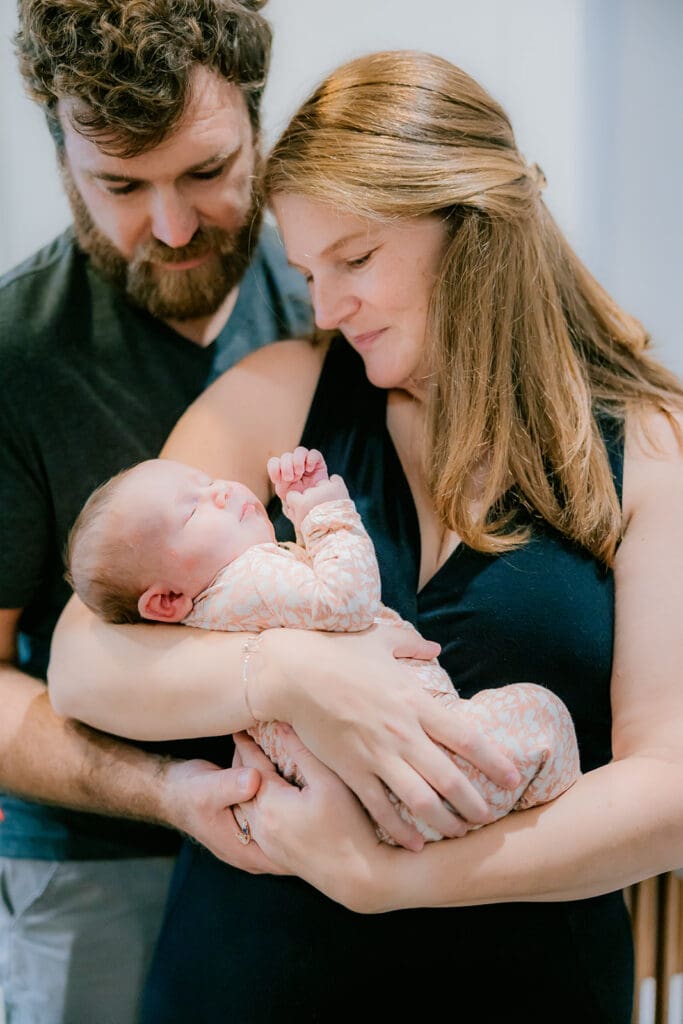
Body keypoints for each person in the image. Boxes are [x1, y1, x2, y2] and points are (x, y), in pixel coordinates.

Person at [49, 49, 683, 1023]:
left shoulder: (645, 445)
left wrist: (392, 878)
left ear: (474, 228)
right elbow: (84, 659)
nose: (324, 307)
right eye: (307, 270)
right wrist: (293, 676)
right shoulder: (278, 392)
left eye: (354, 259)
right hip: (241, 985)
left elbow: (667, 790)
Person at [0, 2, 314, 1022]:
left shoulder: (334, 297)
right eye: (122, 187)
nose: (173, 228)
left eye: (207, 172)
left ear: (257, 129)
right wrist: (165, 791)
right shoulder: (17, 356)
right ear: (61, 157)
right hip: (94, 871)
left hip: (320, 859)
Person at [64, 450, 580, 843]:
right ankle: (550, 815)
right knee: (540, 714)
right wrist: (325, 514)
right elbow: (345, 601)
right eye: (192, 512)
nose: (221, 492)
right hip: (417, 771)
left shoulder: (221, 613)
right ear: (168, 600)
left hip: (375, 790)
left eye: (207, 483)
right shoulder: (246, 580)